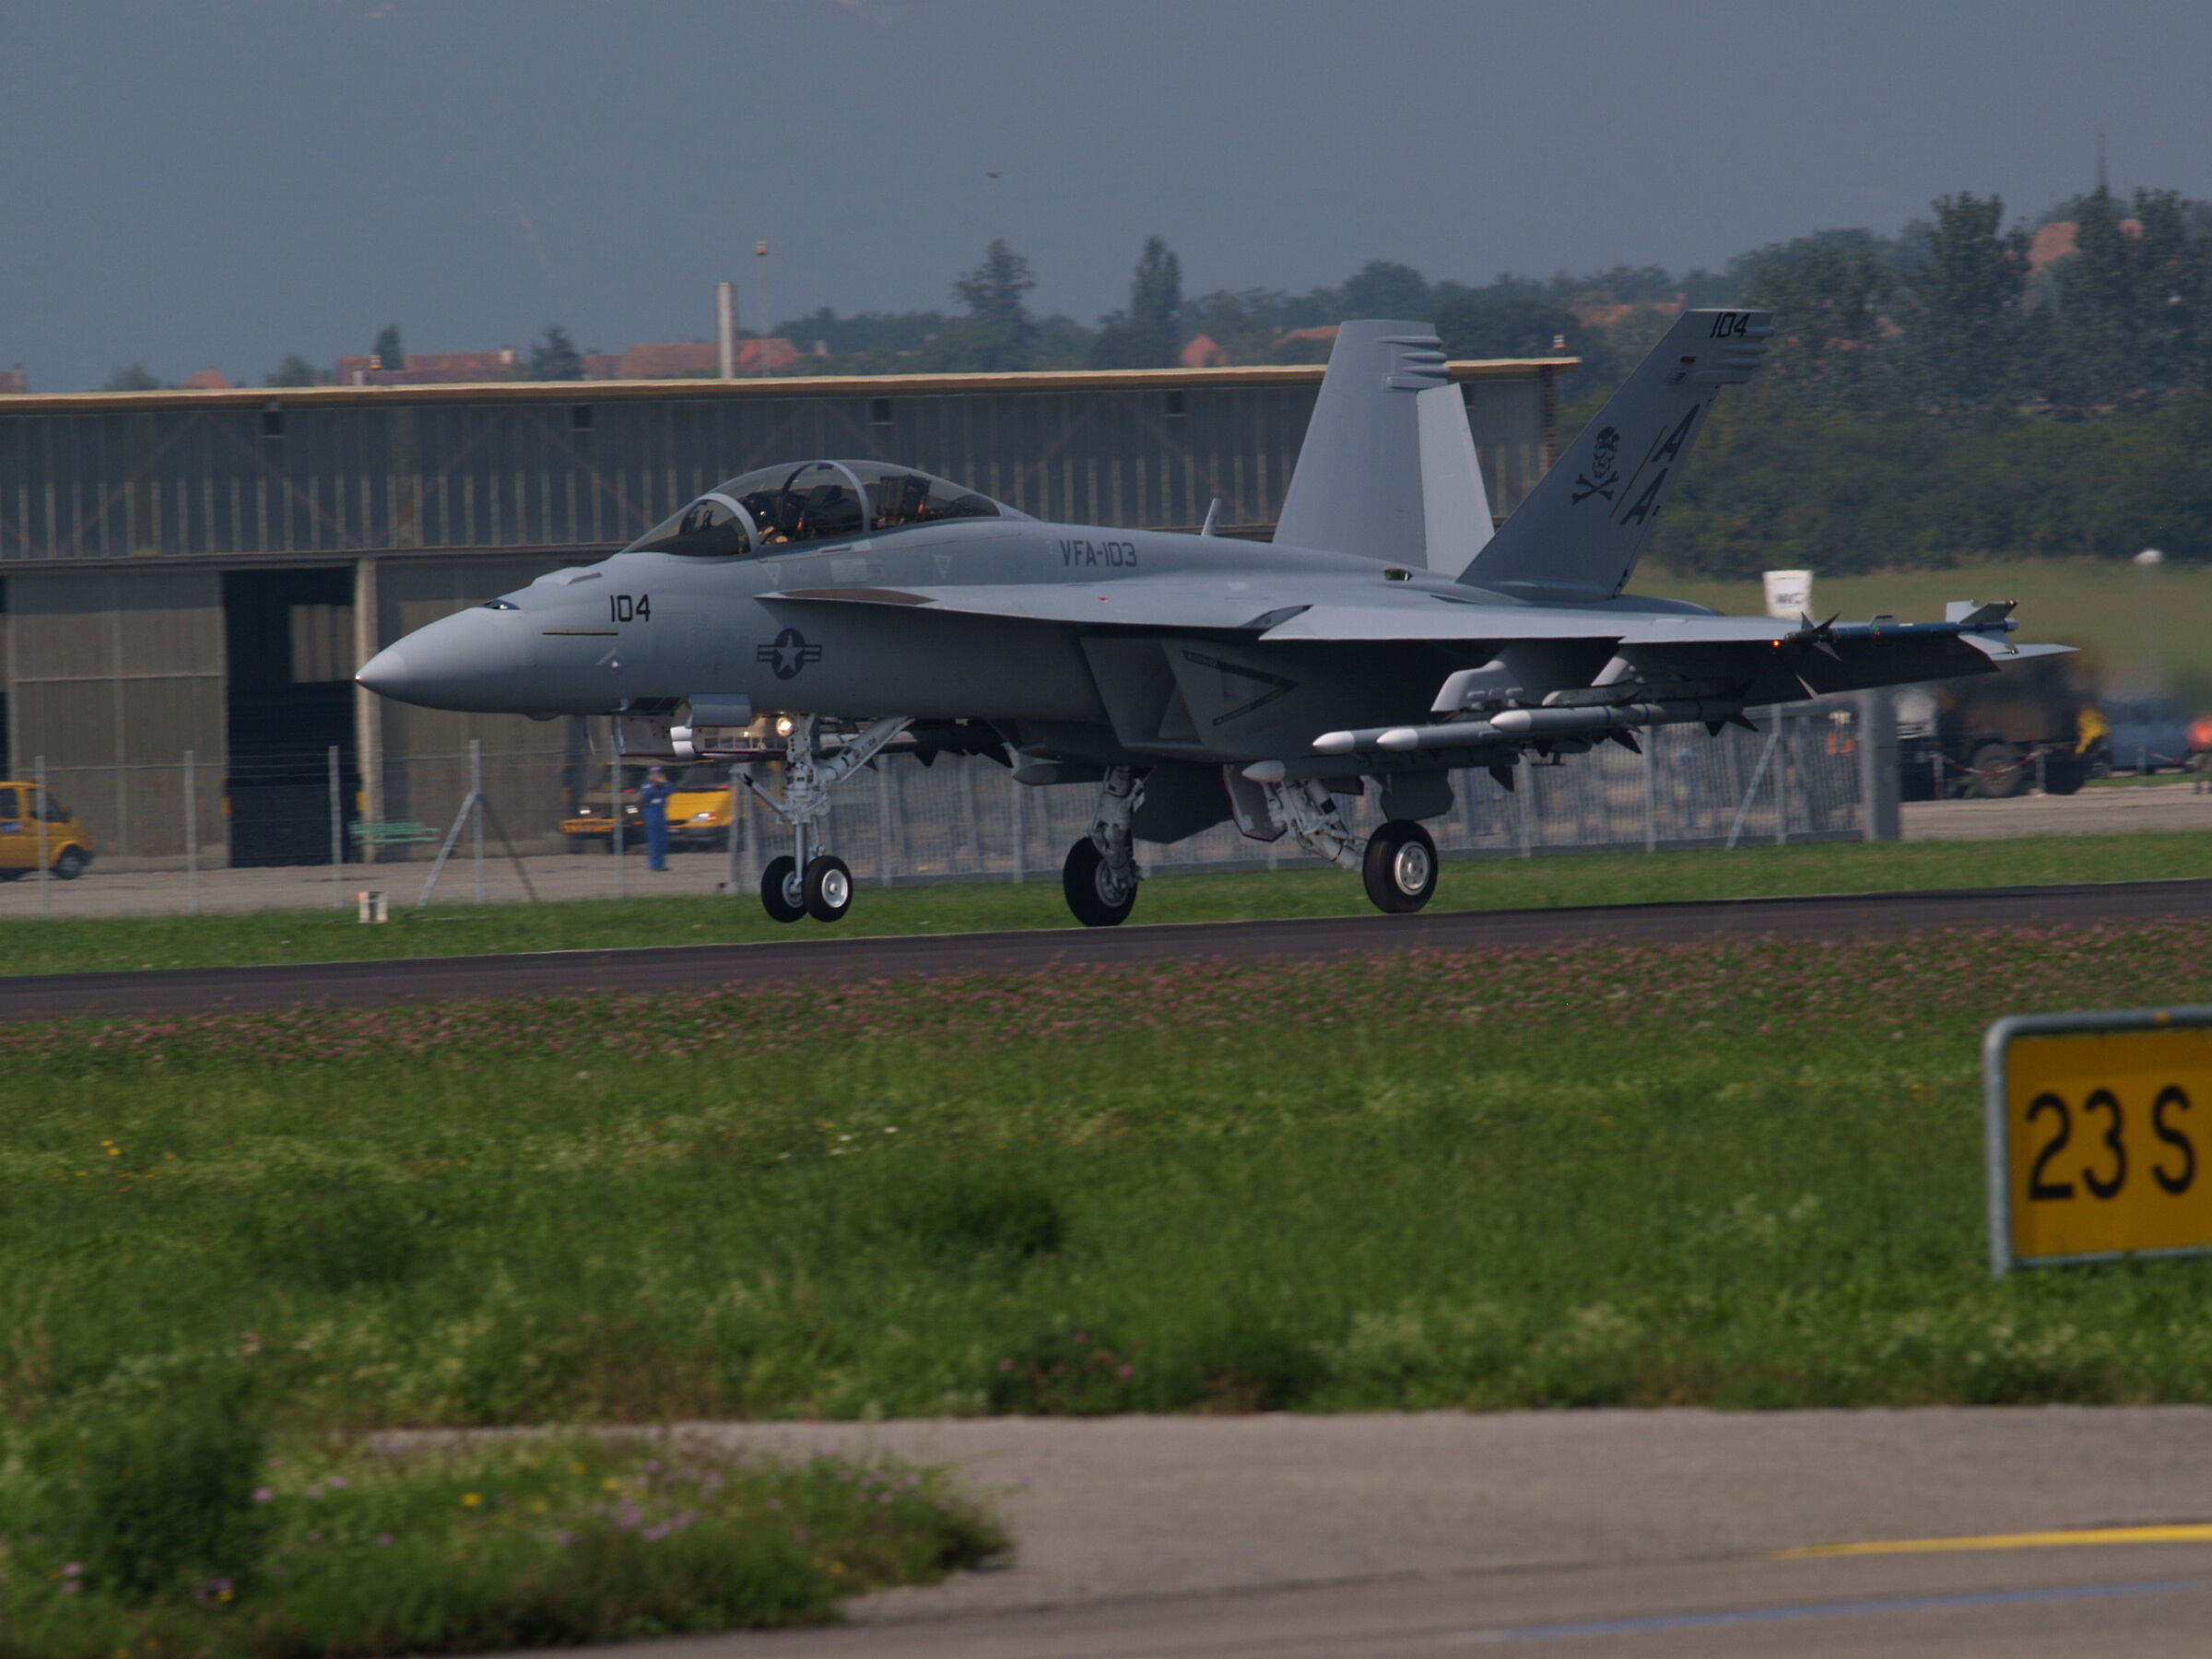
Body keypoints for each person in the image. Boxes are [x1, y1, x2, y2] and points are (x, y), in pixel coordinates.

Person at [639, 766, 673, 871]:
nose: (656, 777)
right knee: (654, 841)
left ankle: (661, 864)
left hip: (661, 813)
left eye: (658, 775)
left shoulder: (664, 786)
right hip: (651, 813)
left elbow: (671, 791)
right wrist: (654, 785)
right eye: (654, 775)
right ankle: (655, 865)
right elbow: (646, 795)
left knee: (662, 841)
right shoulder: (647, 786)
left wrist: (664, 782)